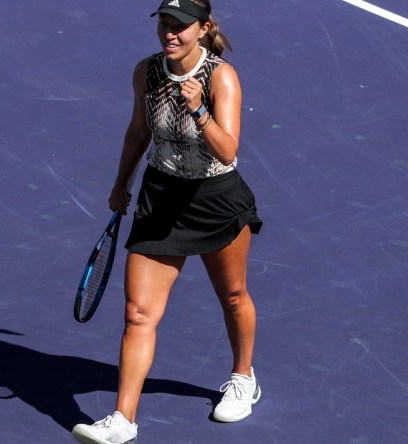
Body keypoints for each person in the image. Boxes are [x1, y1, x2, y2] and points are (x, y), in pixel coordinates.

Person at [72, 0, 263, 443]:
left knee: (233, 296)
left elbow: (228, 151)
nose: (170, 33)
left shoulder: (221, 78)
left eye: (180, 26)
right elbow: (139, 130)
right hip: (160, 198)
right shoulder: (147, 71)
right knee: (138, 313)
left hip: (214, 199)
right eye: (164, 24)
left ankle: (243, 377)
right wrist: (121, 182)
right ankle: (122, 420)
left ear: (204, 28)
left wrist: (199, 109)